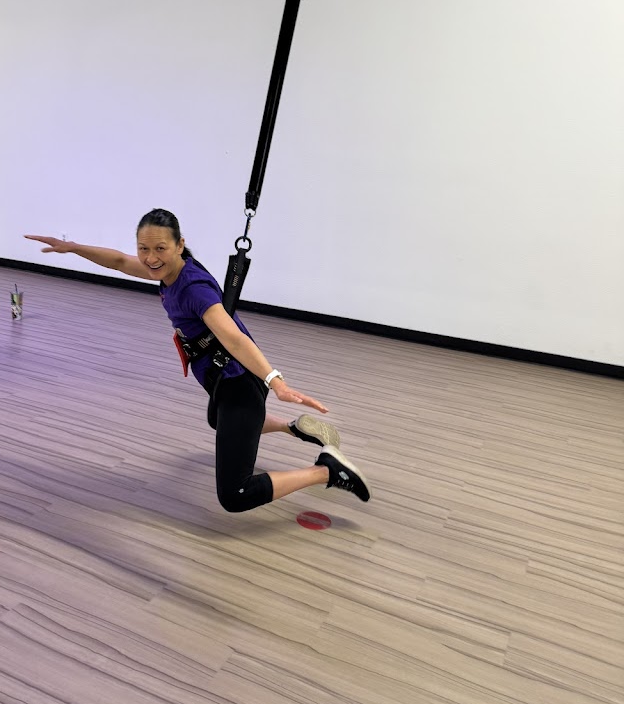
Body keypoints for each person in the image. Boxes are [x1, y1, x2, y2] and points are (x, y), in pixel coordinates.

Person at [25, 209, 369, 512]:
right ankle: (294, 427)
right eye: (143, 248)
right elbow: (118, 261)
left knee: (235, 494)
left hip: (239, 381)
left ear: (179, 245)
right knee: (217, 419)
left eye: (160, 248)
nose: (150, 258)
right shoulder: (168, 272)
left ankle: (327, 470)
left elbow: (233, 337)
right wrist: (73, 247)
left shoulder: (193, 289)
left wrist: (276, 382)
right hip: (223, 378)